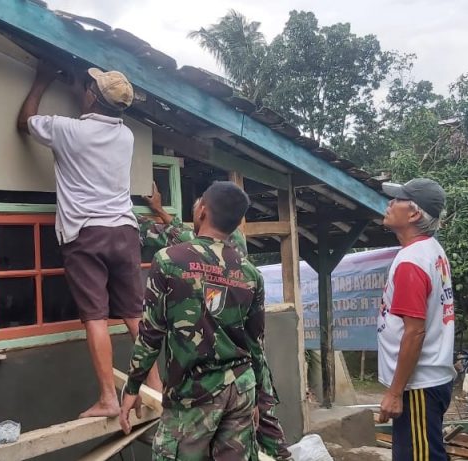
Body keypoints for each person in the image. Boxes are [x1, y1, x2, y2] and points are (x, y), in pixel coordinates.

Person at [18, 60, 160, 418]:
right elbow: (99, 118)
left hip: (86, 234)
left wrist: (41, 79)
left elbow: (25, 121)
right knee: (133, 314)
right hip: (125, 232)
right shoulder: (125, 136)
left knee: (95, 317)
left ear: (92, 98)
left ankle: (108, 399)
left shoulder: (67, 130)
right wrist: (83, 93)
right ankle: (158, 387)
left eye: (89, 88)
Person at [138, 183, 294, 460]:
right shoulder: (243, 260)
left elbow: (176, 238)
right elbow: (256, 341)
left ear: (203, 212)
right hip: (242, 379)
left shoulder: (176, 258)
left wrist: (126, 215)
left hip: (199, 386)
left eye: (199, 206)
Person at [375, 178, 455, 461]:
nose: (389, 204)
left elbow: (415, 332)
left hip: (417, 387)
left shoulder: (412, 261)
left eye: (396, 200)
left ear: (414, 213)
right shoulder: (431, 250)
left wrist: (395, 393)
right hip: (423, 382)